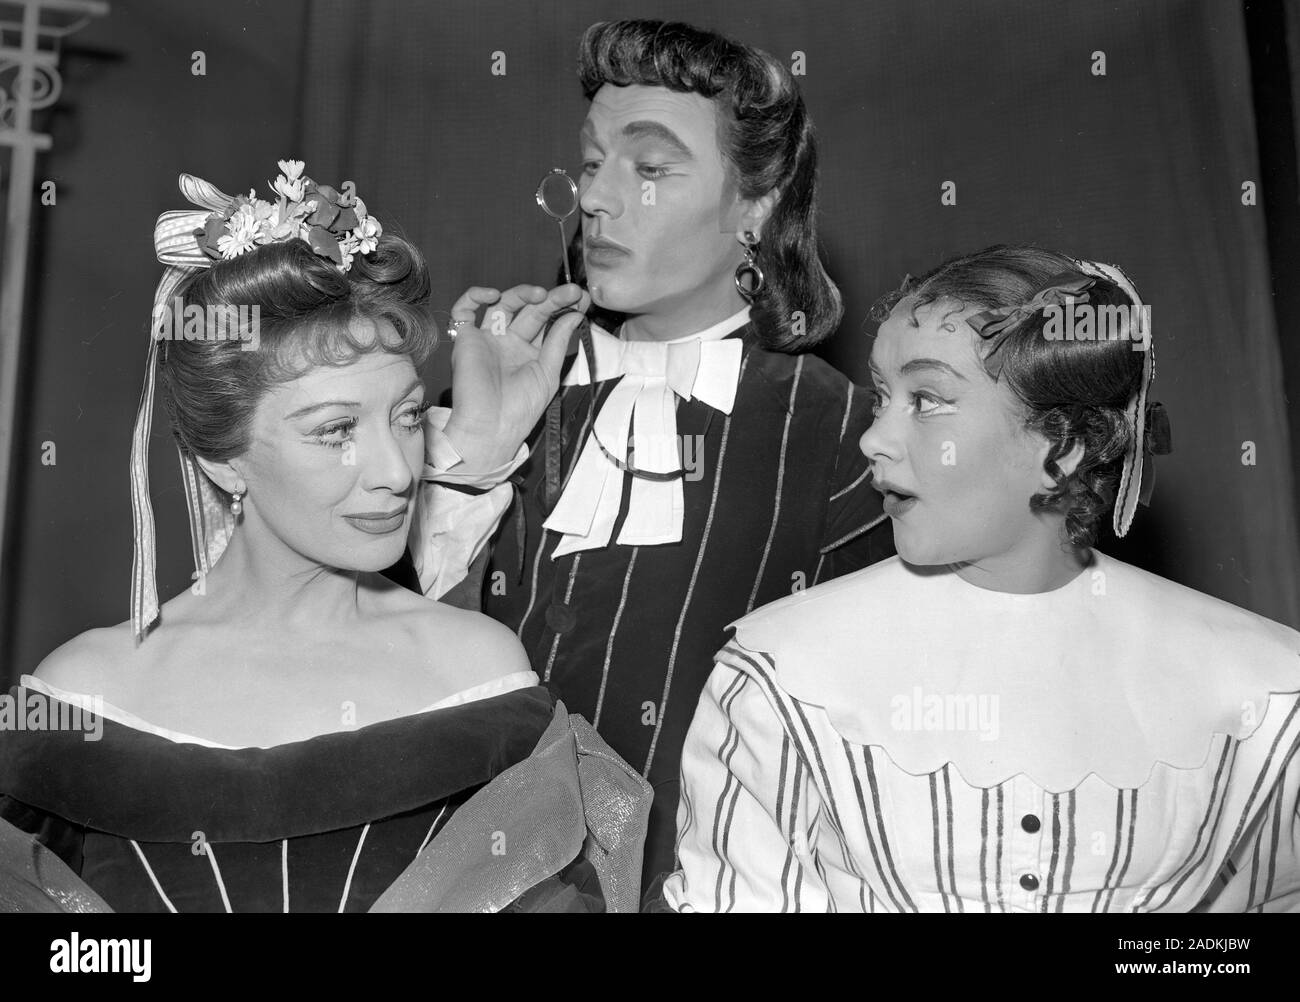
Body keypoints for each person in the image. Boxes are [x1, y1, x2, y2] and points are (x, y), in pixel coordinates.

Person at [0, 162, 650, 913]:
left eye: (407, 417)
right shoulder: (82, 695)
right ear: (222, 455)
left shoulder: (476, 671)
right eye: (336, 430)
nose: (396, 472)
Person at [662, 245, 1300, 912]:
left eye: (928, 399)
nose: (873, 439)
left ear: (1060, 445)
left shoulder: (1263, 689)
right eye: (882, 396)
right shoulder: (778, 677)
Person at [412, 18, 895, 890]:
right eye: (592, 164)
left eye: (650, 168)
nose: (596, 198)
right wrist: (475, 453)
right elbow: (399, 666)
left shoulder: (842, 439)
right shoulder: (497, 395)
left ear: (756, 203)